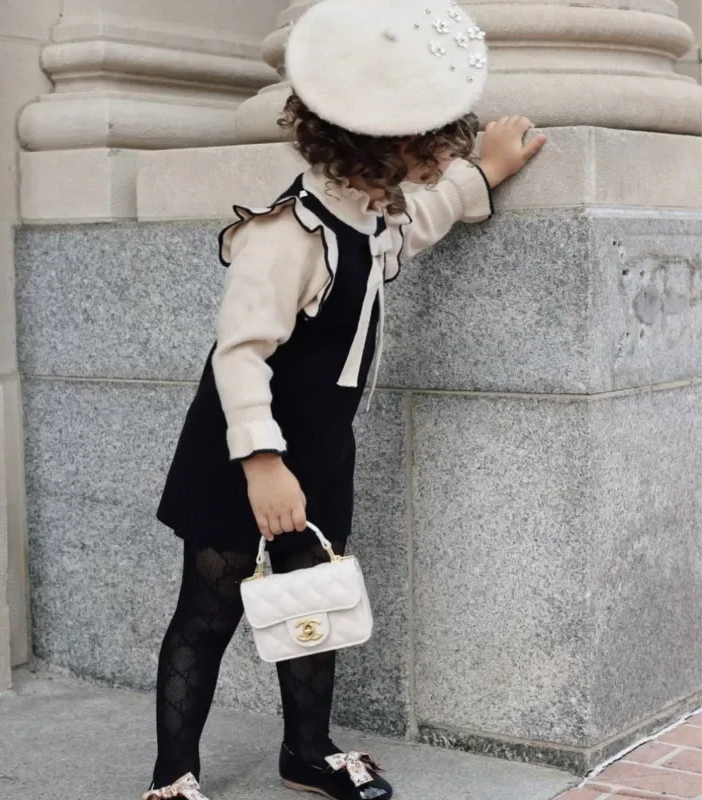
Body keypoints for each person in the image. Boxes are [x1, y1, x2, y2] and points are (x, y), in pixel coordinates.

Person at [145, 0, 546, 797]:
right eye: (430, 148)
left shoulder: (368, 217)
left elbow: (418, 221)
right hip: (239, 453)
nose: (436, 160)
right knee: (209, 608)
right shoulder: (285, 234)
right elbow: (240, 353)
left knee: (310, 604)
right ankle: (173, 773)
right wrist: (262, 463)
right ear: (383, 147)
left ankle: (307, 750)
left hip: (322, 446)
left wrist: (485, 172)